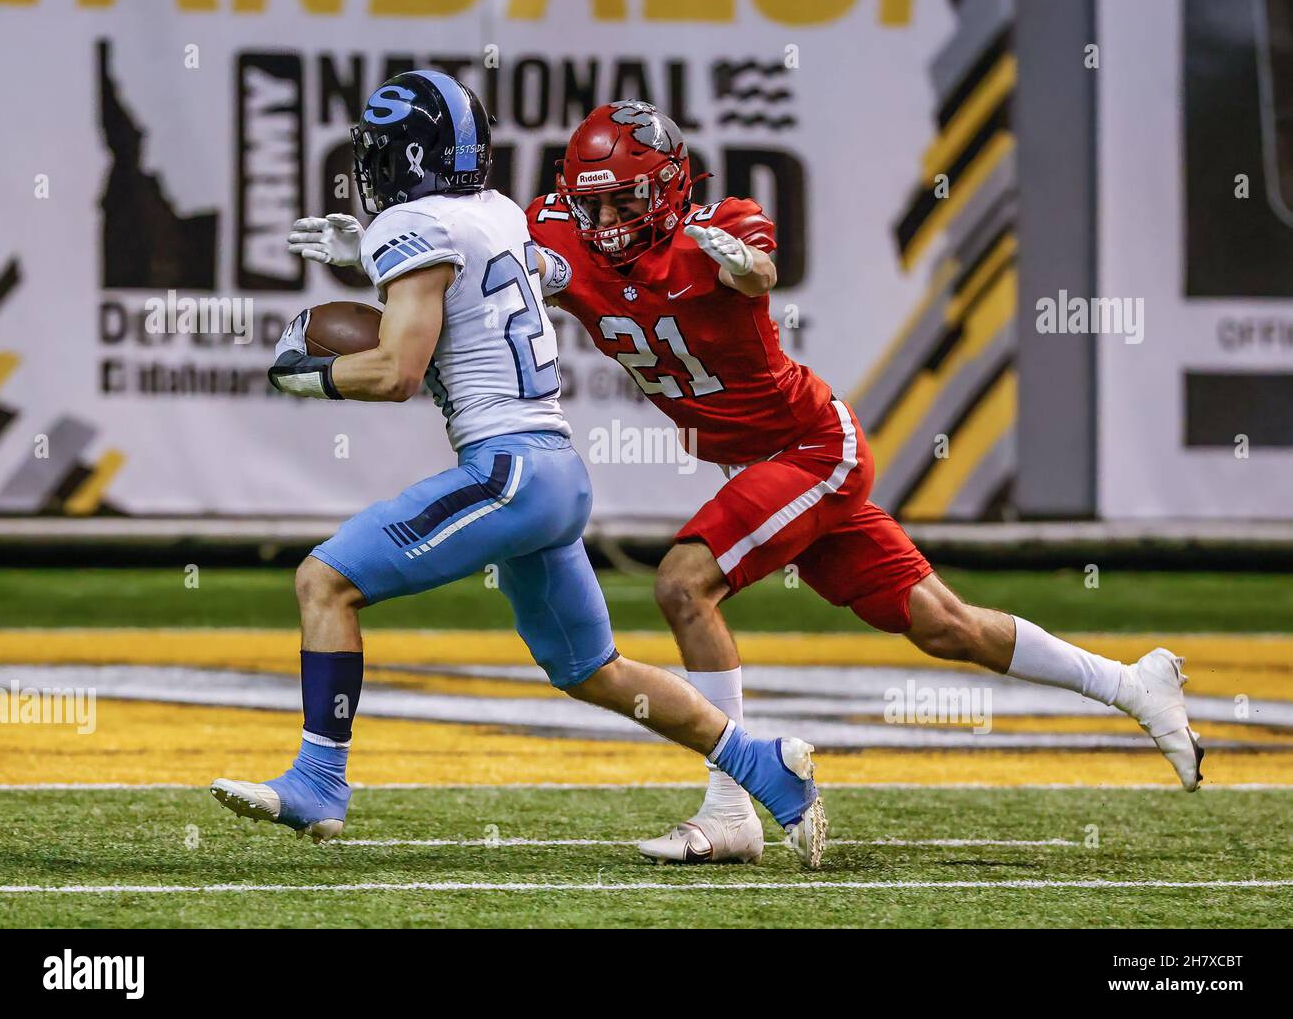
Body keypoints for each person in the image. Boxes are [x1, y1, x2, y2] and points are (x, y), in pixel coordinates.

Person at [519, 100, 1202, 865]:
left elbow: (757, 266)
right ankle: (1132, 684)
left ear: (672, 189)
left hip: (811, 449)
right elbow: (490, 260)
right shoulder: (550, 227)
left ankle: (731, 804)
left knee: (684, 585)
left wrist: (745, 270)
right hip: (762, 465)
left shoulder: (719, 227)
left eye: (626, 199)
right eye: (594, 202)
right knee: (945, 625)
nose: (607, 219)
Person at [211, 74, 826, 870]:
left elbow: (399, 369)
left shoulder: (412, 222)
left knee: (325, 582)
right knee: (591, 669)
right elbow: (494, 292)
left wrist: (311, 374)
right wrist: (365, 263)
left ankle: (320, 780)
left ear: (405, 154)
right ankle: (764, 768)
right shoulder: (498, 211)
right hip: (553, 475)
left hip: (509, 471)